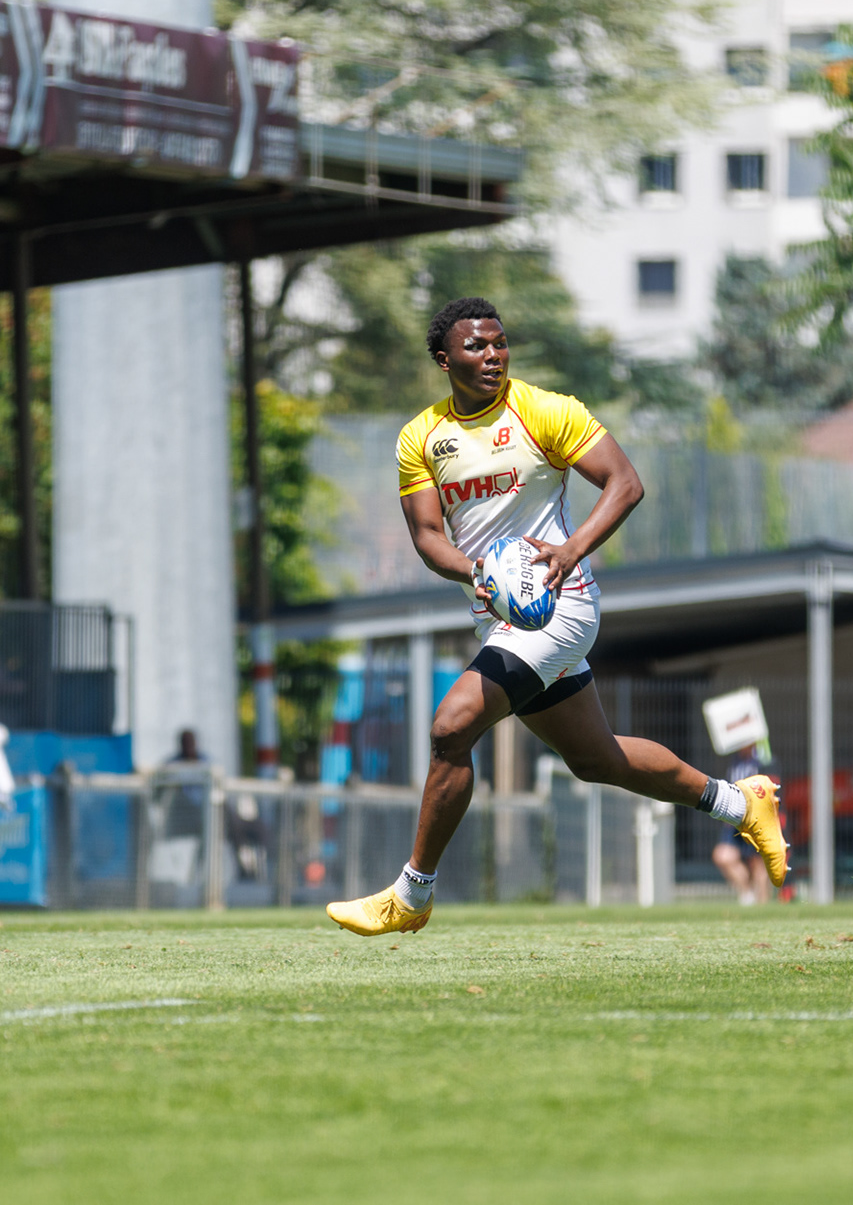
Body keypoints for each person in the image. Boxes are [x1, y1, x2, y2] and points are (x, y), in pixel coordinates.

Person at [325, 298, 787, 936]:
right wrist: (475, 572)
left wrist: (572, 549)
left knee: (450, 727)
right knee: (597, 760)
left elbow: (625, 482)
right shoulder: (421, 437)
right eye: (475, 347)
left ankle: (412, 894)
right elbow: (428, 535)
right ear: (444, 360)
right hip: (501, 619)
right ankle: (741, 802)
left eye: (500, 342)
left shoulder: (545, 409)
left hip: (560, 610)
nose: (492, 355)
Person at [711, 742, 773, 905]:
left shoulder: (763, 761)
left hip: (757, 818)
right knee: (723, 856)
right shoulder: (735, 761)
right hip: (736, 819)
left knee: (758, 864)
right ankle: (747, 894)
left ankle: (763, 906)